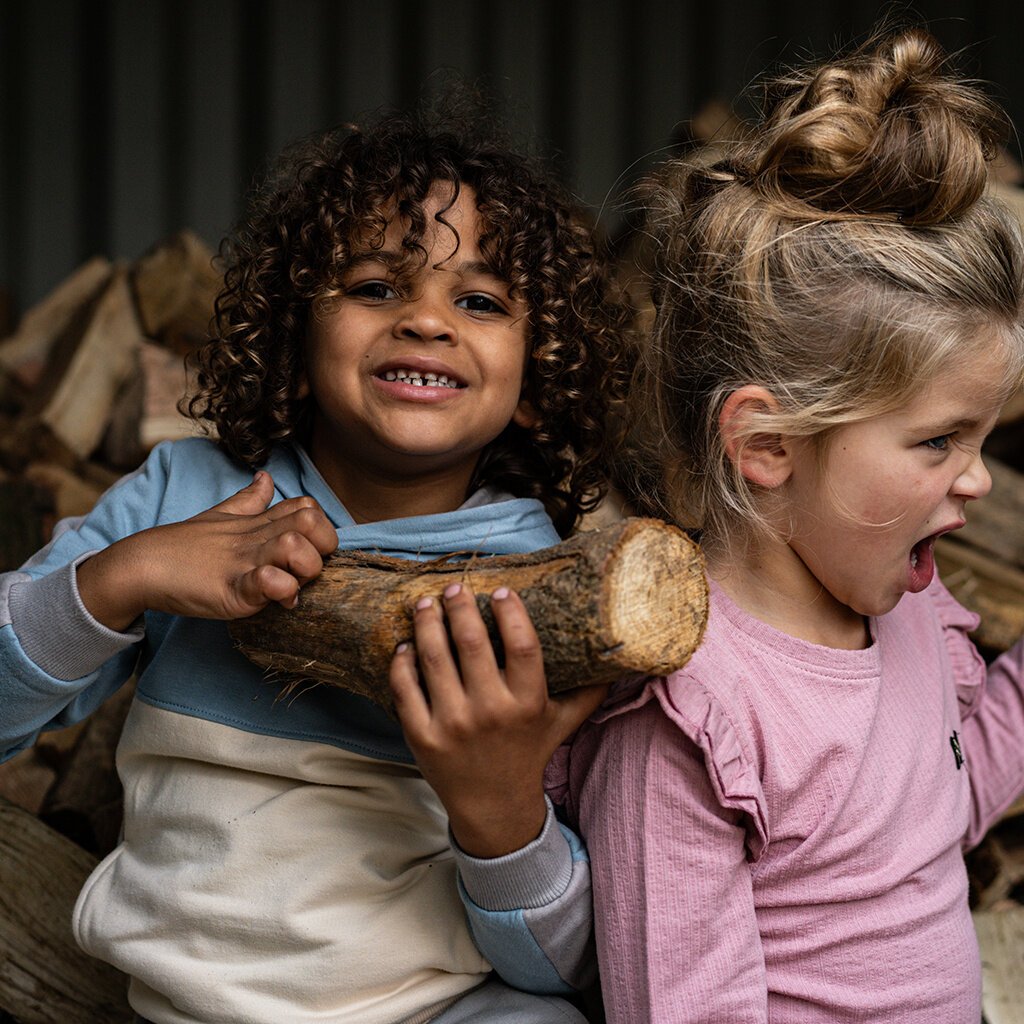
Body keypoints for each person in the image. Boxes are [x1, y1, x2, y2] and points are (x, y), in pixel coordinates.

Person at [0, 98, 632, 1024]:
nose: (426, 320)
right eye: (377, 286)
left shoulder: (550, 588)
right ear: (294, 343)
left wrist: (499, 812)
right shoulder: (189, 497)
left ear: (536, 384)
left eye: (480, 301)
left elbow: (569, 965)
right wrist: (122, 576)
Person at [550, 27, 1024, 1023]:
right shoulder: (690, 723)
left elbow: (932, 819)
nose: (978, 480)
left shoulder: (901, 619)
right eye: (940, 440)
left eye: (982, 439)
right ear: (767, 445)